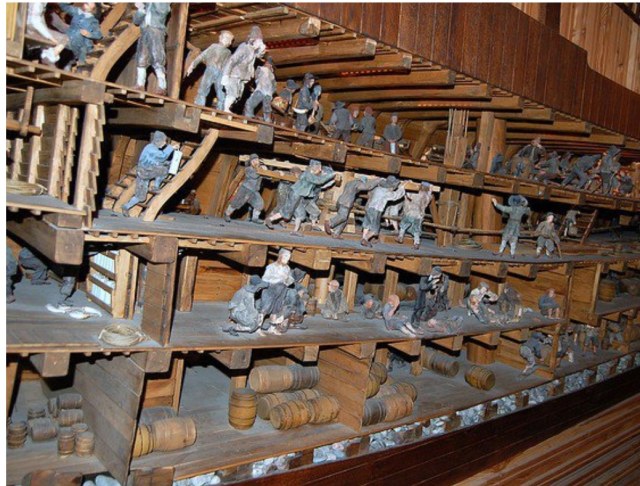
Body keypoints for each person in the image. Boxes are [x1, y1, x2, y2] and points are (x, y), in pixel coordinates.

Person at [264, 160, 335, 235]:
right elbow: (319, 181)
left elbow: (318, 182)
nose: (320, 170)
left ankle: (295, 231)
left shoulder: (310, 175)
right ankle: (269, 219)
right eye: (319, 168)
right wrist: (332, 174)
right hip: (295, 194)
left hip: (300, 196)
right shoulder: (308, 174)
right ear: (314, 168)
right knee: (287, 212)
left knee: (301, 215)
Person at [122, 131, 175, 216]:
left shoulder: (152, 148)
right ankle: (156, 187)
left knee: (141, 197)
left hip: (143, 173)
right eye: (164, 141)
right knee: (164, 170)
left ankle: (125, 207)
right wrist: (171, 148)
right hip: (145, 172)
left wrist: (168, 162)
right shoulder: (151, 148)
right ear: (158, 140)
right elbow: (161, 157)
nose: (164, 143)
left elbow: (155, 161)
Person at [220, 28, 266, 112]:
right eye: (258, 42)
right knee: (232, 93)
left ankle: (227, 108)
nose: (259, 44)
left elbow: (259, 55)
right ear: (253, 40)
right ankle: (225, 109)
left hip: (241, 77)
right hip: (234, 74)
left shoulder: (252, 50)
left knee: (238, 96)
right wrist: (225, 75)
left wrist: (262, 50)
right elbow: (232, 60)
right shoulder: (244, 47)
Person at [186, 30, 234, 107]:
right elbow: (202, 56)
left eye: (230, 40)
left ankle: (221, 108)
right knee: (203, 88)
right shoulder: (214, 46)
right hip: (211, 69)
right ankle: (199, 105)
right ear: (221, 38)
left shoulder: (228, 52)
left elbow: (228, 65)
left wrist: (227, 76)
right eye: (228, 38)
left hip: (221, 73)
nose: (229, 42)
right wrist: (192, 65)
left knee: (221, 92)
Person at [133, 3, 172, 95]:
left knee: (157, 58)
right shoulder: (146, 4)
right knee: (141, 58)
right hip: (144, 31)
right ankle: (140, 84)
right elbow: (136, 21)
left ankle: (162, 86)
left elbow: (163, 11)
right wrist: (141, 9)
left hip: (156, 31)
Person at [361, 176, 406, 247]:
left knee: (367, 225)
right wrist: (402, 188)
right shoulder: (386, 192)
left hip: (369, 208)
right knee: (375, 229)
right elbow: (396, 196)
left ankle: (363, 237)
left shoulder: (378, 189)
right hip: (376, 211)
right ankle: (365, 239)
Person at [260, 249, 294, 334]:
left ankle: (272, 328)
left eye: (289, 257)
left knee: (276, 310)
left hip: (282, 290)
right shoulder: (271, 267)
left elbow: (289, 278)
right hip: (270, 290)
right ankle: (257, 328)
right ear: (280, 256)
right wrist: (278, 278)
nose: (287, 258)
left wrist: (288, 280)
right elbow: (264, 278)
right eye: (285, 256)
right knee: (265, 309)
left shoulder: (287, 268)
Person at [224, 154, 264, 223]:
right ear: (250, 162)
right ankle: (227, 214)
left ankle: (255, 218)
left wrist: (278, 172)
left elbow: (267, 176)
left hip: (254, 191)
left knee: (259, 203)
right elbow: (254, 176)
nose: (255, 162)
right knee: (236, 202)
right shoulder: (248, 169)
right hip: (245, 189)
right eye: (253, 161)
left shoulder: (259, 169)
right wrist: (260, 169)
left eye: (257, 160)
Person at [397, 182, 434, 249]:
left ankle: (400, 237)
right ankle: (416, 243)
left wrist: (405, 187)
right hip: (419, 215)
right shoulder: (427, 196)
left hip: (411, 212)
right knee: (416, 229)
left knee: (404, 224)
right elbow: (429, 196)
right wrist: (430, 189)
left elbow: (409, 195)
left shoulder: (417, 194)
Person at [244, 56, 277, 122]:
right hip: (268, 94)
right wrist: (270, 92)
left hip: (260, 91)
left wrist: (257, 87)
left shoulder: (261, 69)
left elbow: (256, 76)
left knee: (249, 103)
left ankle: (248, 116)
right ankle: (267, 120)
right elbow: (274, 88)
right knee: (267, 109)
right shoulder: (272, 76)